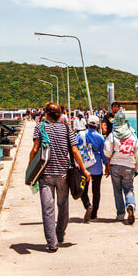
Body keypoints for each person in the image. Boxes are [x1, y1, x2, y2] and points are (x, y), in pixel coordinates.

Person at [28, 102, 90, 252]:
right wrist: (84, 170)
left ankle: (52, 243)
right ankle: (60, 234)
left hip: (45, 175)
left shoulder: (40, 127)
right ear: (60, 115)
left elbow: (35, 149)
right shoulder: (66, 128)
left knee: (48, 210)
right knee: (63, 207)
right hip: (63, 174)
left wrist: (30, 168)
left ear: (46, 114)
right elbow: (75, 151)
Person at [103, 112, 138, 224]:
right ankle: (130, 204)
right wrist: (137, 169)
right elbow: (137, 156)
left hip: (115, 166)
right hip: (129, 166)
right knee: (129, 189)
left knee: (117, 191)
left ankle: (120, 214)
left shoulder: (112, 136)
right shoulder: (133, 136)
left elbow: (107, 152)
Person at [76, 115, 108, 222]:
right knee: (96, 191)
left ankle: (87, 205)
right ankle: (94, 213)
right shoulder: (100, 137)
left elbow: (74, 150)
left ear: (87, 124)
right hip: (97, 167)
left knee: (83, 190)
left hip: (84, 167)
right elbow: (104, 154)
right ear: (97, 125)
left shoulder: (80, 135)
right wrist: (107, 166)